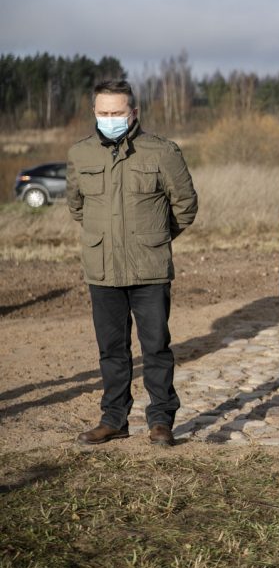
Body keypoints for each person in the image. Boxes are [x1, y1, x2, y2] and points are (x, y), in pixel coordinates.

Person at [68, 79, 198, 447]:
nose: (110, 119)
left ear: (134, 113)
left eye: (118, 113)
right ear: (94, 112)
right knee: (111, 349)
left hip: (149, 269)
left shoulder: (162, 152)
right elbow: (77, 206)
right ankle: (113, 419)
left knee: (155, 347)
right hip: (103, 270)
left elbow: (185, 206)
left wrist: (153, 238)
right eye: (104, 112)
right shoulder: (80, 154)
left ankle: (160, 422)